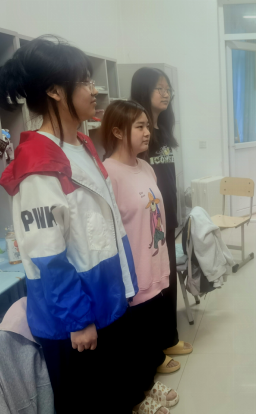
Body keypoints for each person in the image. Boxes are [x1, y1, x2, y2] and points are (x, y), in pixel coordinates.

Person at [0, 37, 145, 413]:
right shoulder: (38, 164)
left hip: (105, 302)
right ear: (55, 91)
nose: (94, 91)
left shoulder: (81, 146)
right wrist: (78, 321)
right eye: (85, 81)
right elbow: (47, 254)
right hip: (75, 322)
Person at [102, 100, 180, 412]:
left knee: (150, 334)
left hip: (155, 265)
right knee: (133, 340)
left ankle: (148, 383)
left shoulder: (146, 167)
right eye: (140, 126)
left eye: (148, 126)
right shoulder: (109, 174)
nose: (147, 132)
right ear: (117, 131)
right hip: (133, 275)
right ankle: (137, 398)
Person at [131, 67, 193, 363]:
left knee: (166, 277)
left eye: (168, 89)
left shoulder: (162, 131)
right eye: (160, 88)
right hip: (149, 222)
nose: (166, 94)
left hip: (166, 217)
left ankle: (169, 338)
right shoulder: (137, 135)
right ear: (144, 90)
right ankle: (159, 343)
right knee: (154, 283)